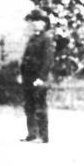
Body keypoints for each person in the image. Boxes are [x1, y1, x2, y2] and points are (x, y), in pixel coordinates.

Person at [20, 8, 56, 143]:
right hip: (28, 77)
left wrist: (41, 78)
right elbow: (26, 58)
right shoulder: (32, 38)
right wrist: (22, 74)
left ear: (44, 23)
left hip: (39, 78)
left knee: (40, 106)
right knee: (29, 106)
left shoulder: (46, 39)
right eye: (34, 21)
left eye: (38, 21)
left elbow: (48, 60)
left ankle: (43, 135)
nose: (36, 24)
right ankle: (32, 134)